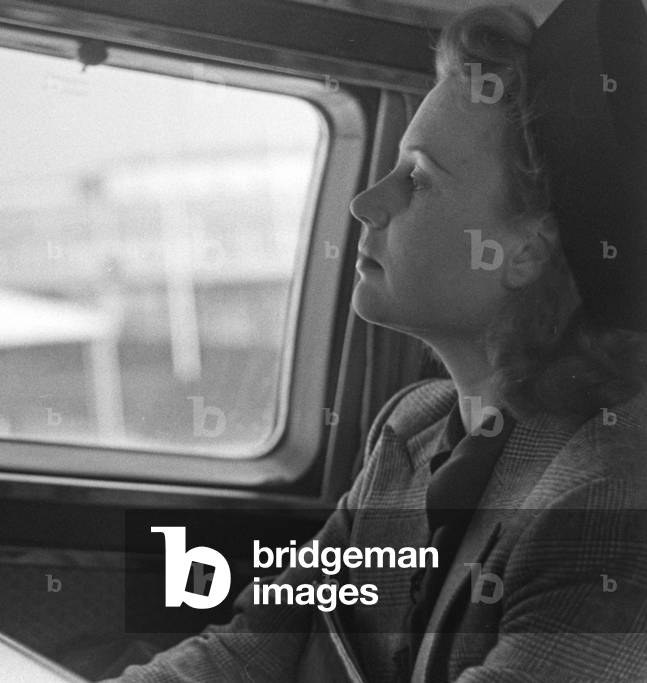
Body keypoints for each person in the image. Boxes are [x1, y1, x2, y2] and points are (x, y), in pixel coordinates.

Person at [107, 0, 647, 680]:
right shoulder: (412, 427)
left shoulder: (610, 500)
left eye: (417, 177)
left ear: (525, 249)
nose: (367, 204)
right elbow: (248, 650)